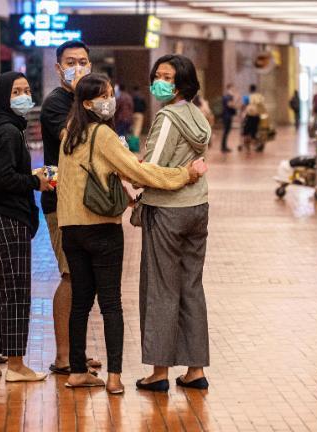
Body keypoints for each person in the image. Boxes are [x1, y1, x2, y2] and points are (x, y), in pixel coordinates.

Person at [58, 73, 205, 394]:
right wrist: (184, 174)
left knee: (80, 302)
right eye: (104, 96)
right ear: (87, 103)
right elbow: (138, 171)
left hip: (71, 228)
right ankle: (113, 377)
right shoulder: (102, 135)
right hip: (101, 229)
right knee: (111, 304)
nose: (110, 100)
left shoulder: (68, 133)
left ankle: (77, 371)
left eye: (111, 93)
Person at [135, 54, 212, 393]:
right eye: (157, 74)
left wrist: (133, 168)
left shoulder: (167, 118)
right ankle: (195, 370)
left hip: (167, 209)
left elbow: (151, 166)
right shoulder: (199, 117)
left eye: (166, 76)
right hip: (197, 207)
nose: (158, 80)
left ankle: (159, 372)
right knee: (191, 286)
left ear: (181, 83)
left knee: (161, 288)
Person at [0, 72, 53, 382]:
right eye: (16, 91)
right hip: (7, 218)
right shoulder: (8, 131)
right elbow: (4, 178)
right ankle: (17, 365)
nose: (23, 95)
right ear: (3, 96)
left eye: (26, 89)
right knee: (17, 292)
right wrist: (36, 181)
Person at [39, 40, 102, 375]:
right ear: (58, 68)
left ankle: (76, 351)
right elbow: (74, 140)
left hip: (87, 200)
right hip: (62, 203)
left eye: (83, 61)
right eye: (71, 61)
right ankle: (64, 356)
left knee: (83, 279)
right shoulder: (56, 103)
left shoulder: (86, 102)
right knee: (70, 275)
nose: (78, 66)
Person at [239, 84, 266, 152]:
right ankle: (258, 144)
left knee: (246, 132)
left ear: (250, 89)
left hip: (249, 116)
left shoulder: (248, 97)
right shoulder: (259, 97)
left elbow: (243, 106)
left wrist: (241, 113)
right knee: (254, 132)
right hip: (257, 116)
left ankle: (246, 146)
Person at [220, 84, 238, 153]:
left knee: (226, 132)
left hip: (227, 115)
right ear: (229, 89)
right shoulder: (228, 97)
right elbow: (230, 105)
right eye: (232, 89)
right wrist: (235, 101)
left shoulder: (228, 97)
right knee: (226, 131)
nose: (233, 91)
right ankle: (223, 147)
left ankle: (224, 146)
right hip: (227, 116)